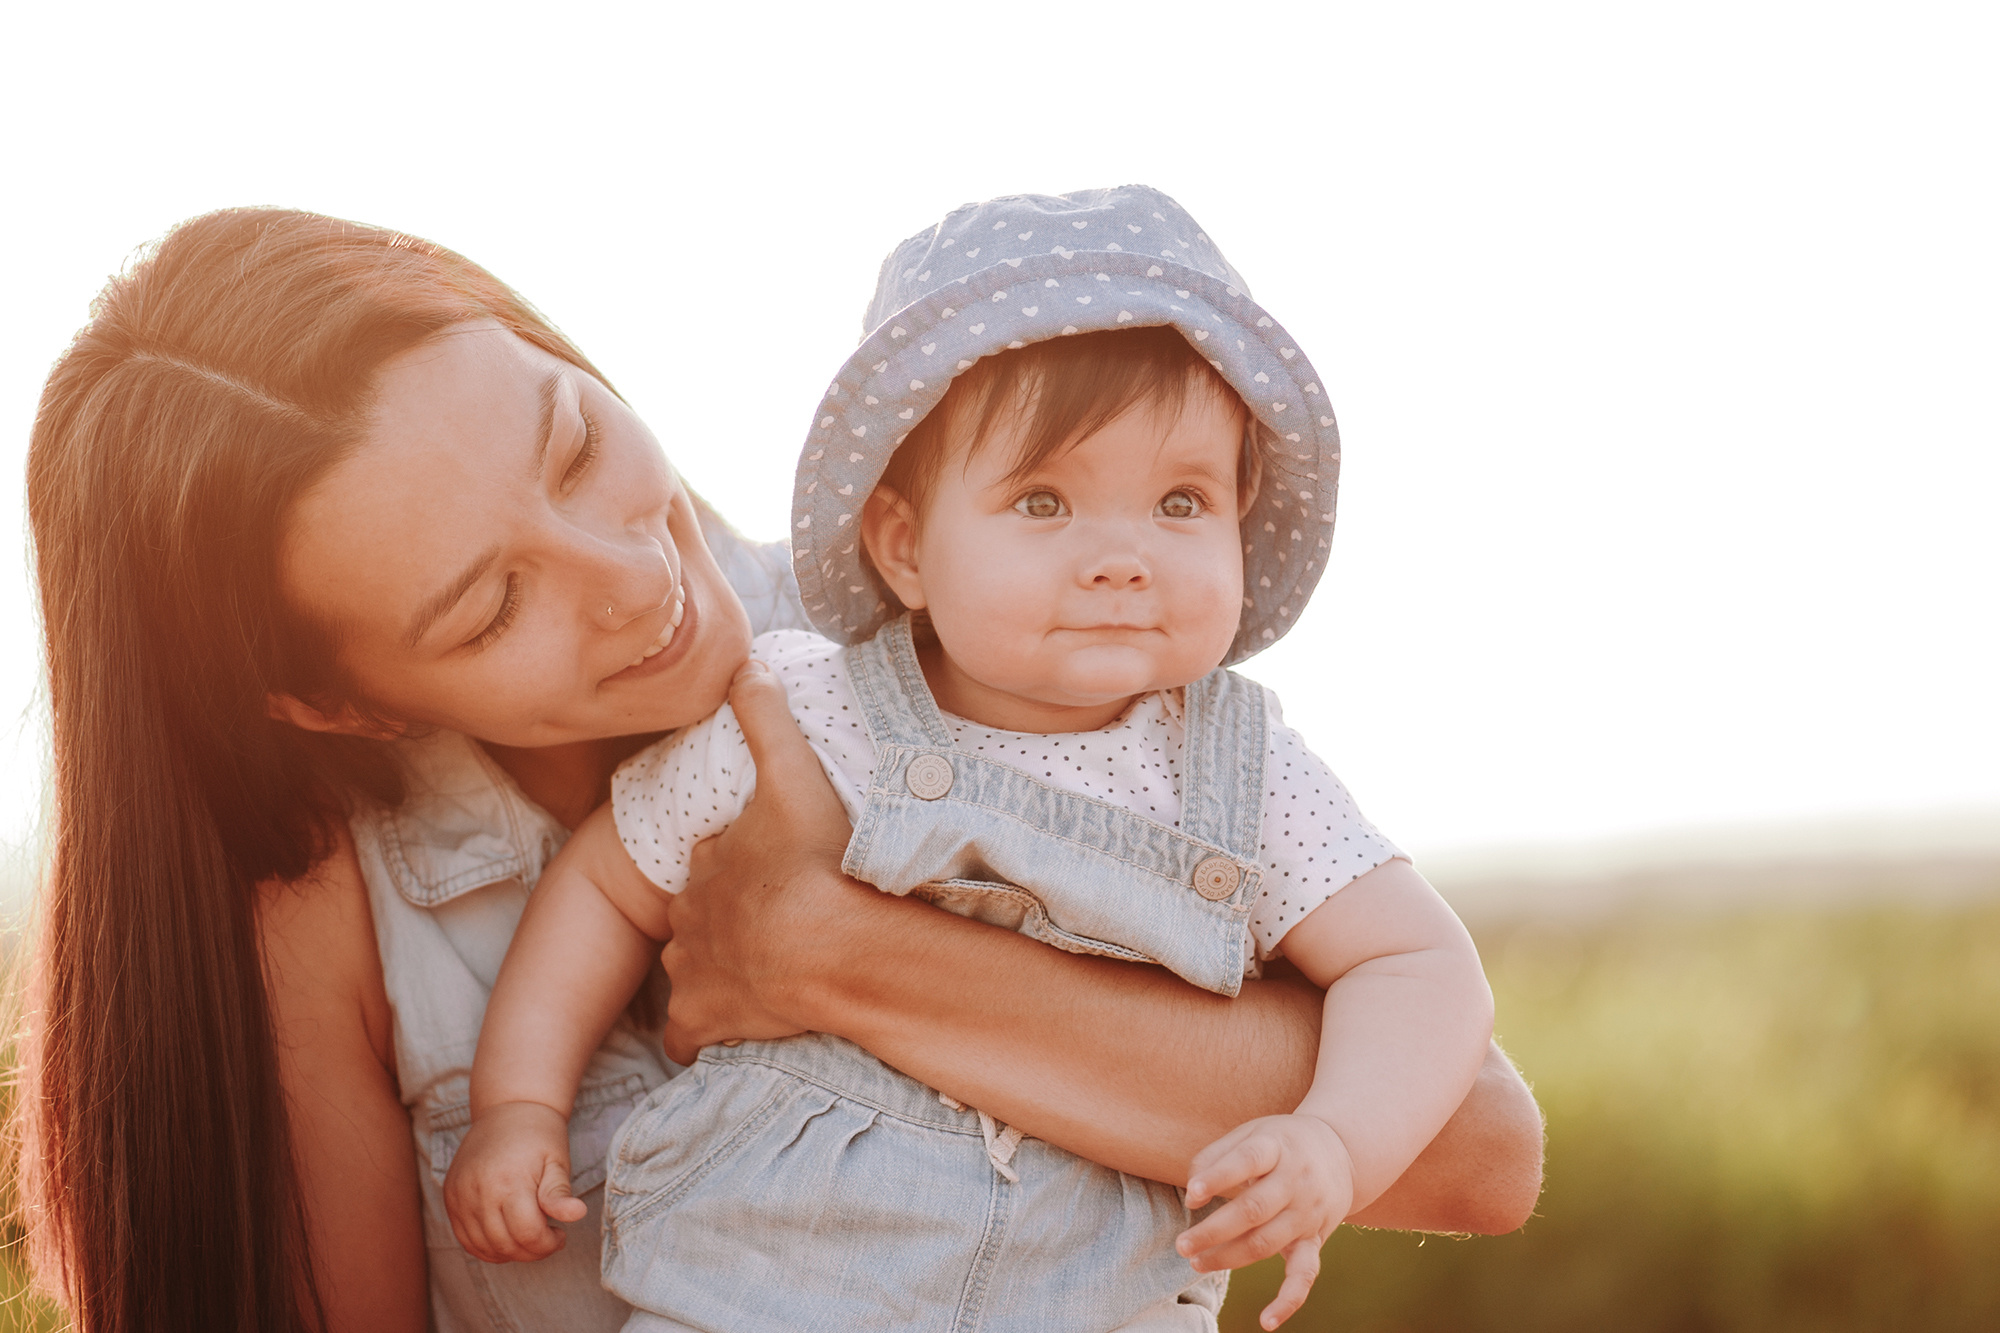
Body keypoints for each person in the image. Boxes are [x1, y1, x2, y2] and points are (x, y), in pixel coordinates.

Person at [16, 206, 1543, 1333]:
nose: (623, 574)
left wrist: (829, 953)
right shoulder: (321, 911)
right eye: (490, 605)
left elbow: (1479, 1152)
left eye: (570, 445)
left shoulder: (975, 647)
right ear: (336, 701)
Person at [445, 187, 1494, 1333]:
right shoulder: (808, 709)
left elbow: (1416, 962)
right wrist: (516, 1103)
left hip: (1099, 1303)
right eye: (1043, 500)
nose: (1120, 556)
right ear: (903, 546)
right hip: (766, 1280)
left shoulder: (1246, 772)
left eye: (1179, 501)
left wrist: (1334, 1136)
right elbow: (608, 880)